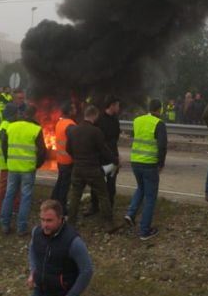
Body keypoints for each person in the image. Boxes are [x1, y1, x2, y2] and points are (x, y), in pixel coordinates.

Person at [27, 199, 94, 296]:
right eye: (42, 219)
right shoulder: (37, 233)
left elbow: (87, 270)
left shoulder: (73, 242)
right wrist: (33, 272)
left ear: (60, 219)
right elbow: (32, 250)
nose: (45, 225)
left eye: (49, 221)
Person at [0, 105, 48, 235]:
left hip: (13, 167)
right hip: (28, 168)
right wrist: (37, 164)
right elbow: (42, 150)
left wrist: (8, 159)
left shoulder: (11, 126)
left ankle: (5, 224)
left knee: (9, 194)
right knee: (25, 197)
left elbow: (4, 145)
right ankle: (21, 228)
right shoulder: (36, 129)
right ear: (34, 115)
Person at [125, 99, 168, 240]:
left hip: (135, 161)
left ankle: (130, 214)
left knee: (141, 188)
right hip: (149, 164)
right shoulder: (159, 124)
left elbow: (134, 136)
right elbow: (162, 146)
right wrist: (161, 163)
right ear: (159, 109)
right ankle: (144, 231)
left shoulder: (137, 120)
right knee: (150, 197)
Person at [66, 105, 115, 226]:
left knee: (75, 195)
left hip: (77, 168)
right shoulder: (96, 131)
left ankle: (71, 222)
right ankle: (108, 223)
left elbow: (68, 149)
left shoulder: (74, 130)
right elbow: (104, 150)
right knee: (103, 194)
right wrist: (114, 160)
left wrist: (77, 158)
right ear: (94, 115)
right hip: (92, 169)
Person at [90, 96, 122, 215]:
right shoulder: (99, 120)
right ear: (112, 105)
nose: (119, 108)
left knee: (111, 184)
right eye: (117, 105)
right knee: (96, 183)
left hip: (112, 157)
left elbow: (116, 138)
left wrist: (116, 157)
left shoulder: (115, 120)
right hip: (100, 157)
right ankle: (94, 207)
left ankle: (109, 208)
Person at [51, 102, 78, 212]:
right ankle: (61, 207)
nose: (76, 110)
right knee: (64, 186)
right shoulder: (70, 126)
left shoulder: (60, 122)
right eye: (74, 108)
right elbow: (74, 144)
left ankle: (53, 200)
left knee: (60, 181)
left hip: (60, 159)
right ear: (70, 111)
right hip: (68, 160)